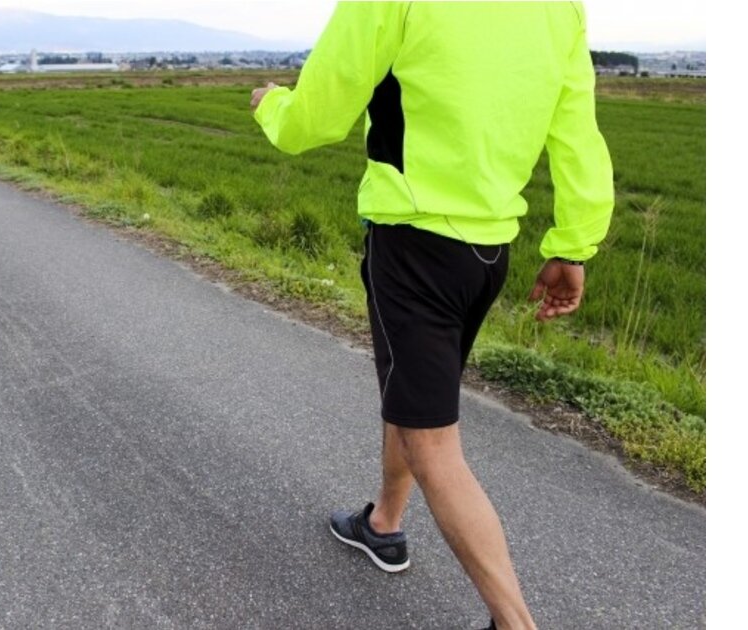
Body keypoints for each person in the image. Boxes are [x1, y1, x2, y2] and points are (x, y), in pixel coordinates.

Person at [250, 3, 614, 629]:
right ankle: (384, 524)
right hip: (487, 254)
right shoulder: (560, 7)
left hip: (414, 246)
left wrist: (270, 104)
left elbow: (316, 117)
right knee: (414, 401)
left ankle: (514, 622)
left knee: (432, 439)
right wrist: (572, 245)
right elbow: (576, 130)